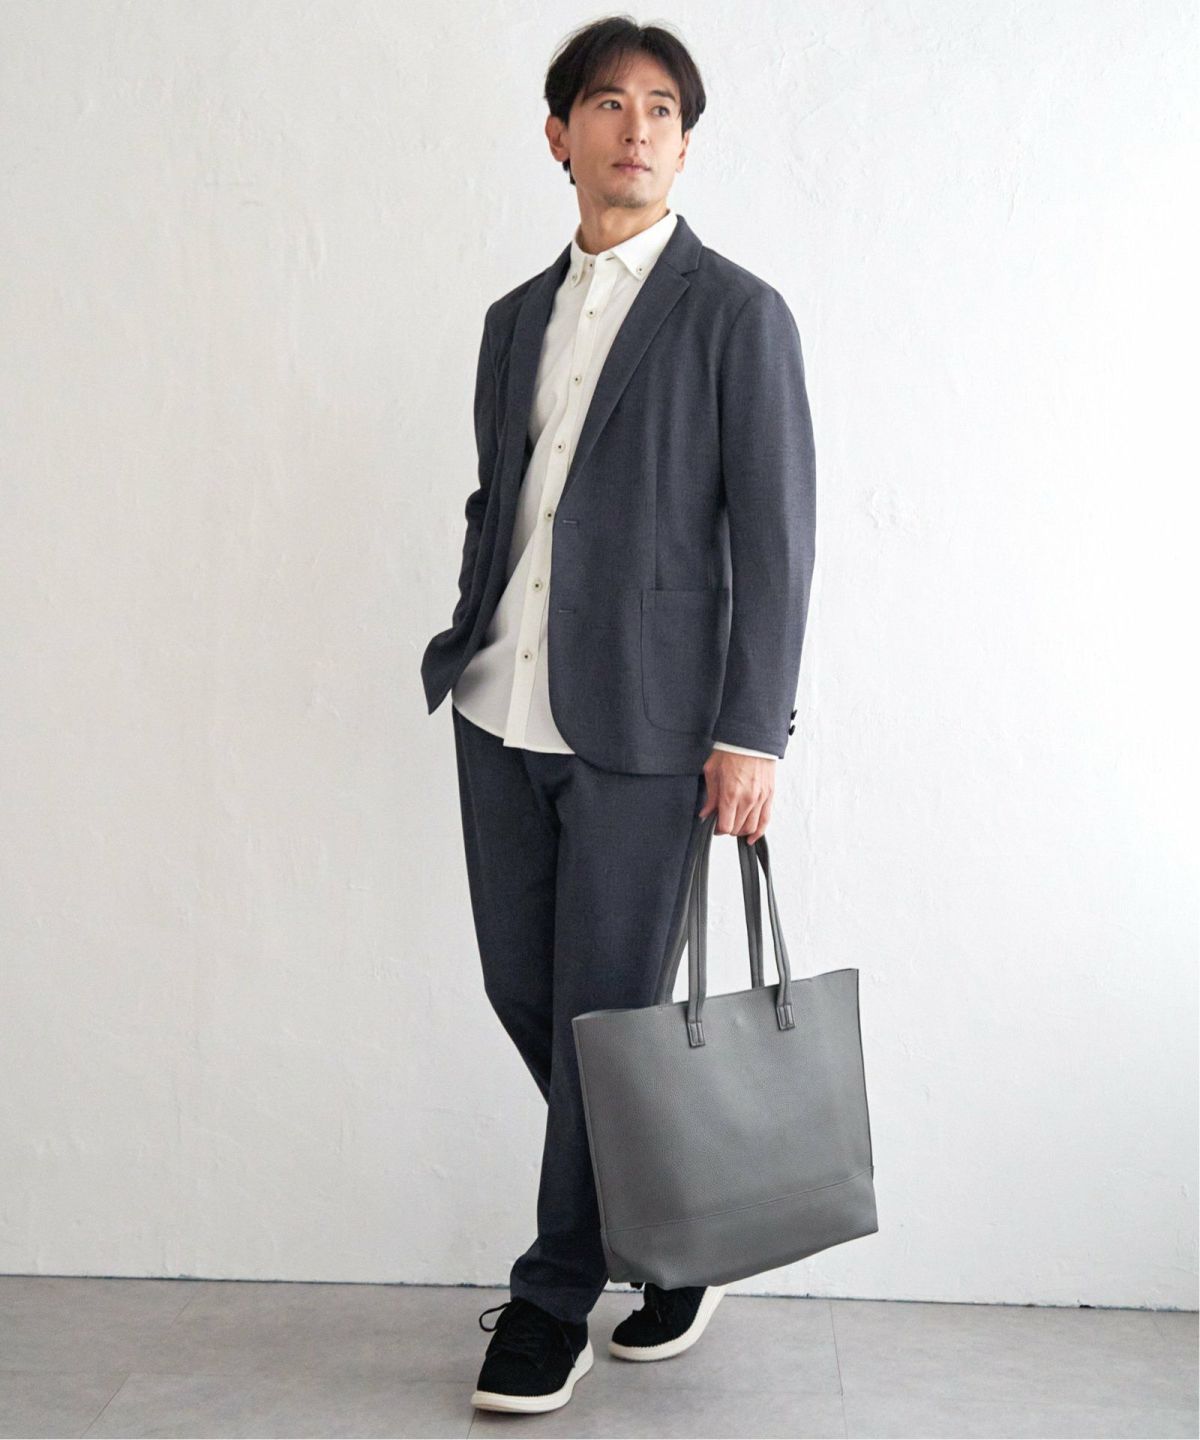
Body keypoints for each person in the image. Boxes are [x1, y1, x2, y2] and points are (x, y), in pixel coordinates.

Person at [419, 14, 816, 1416]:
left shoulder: (737, 315)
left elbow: (775, 537)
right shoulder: (510, 320)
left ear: (684, 146)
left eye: (661, 110)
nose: (634, 128)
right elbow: (504, 501)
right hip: (496, 706)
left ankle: (550, 1301)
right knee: (526, 992)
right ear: (560, 135)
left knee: (603, 1015)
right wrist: (464, 627)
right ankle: (676, 1233)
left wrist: (752, 731)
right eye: (606, 103)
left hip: (650, 733)